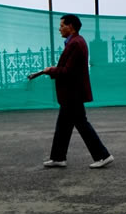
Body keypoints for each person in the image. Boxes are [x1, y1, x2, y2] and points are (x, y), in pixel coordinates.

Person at [39, 14, 113, 169]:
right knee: (63, 126)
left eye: (61, 25)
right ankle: (58, 157)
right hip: (72, 93)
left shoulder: (76, 44)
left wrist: (51, 70)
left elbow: (68, 71)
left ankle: (103, 155)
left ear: (70, 26)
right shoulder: (75, 42)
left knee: (81, 124)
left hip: (73, 93)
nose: (59, 29)